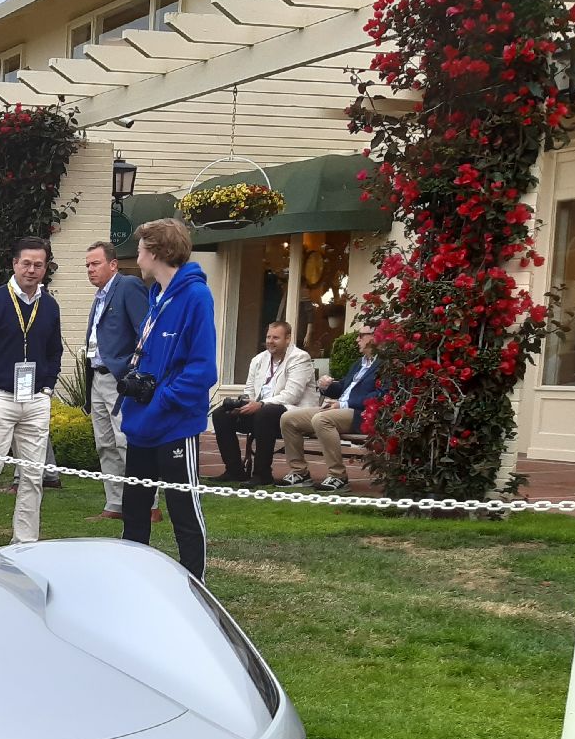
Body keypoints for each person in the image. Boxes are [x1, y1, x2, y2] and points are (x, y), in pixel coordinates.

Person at [119, 218, 216, 578]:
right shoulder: (155, 294)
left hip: (174, 423)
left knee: (183, 510)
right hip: (143, 423)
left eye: (141, 248)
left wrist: (162, 398)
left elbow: (203, 368)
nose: (137, 255)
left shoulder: (196, 296)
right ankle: (134, 580)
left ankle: (196, 586)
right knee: (134, 509)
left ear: (156, 252)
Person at [0, 237, 64, 543]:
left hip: (35, 399)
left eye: (38, 265)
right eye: (26, 263)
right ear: (15, 264)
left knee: (33, 475)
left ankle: (25, 543)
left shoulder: (50, 306)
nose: (31, 270)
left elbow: (54, 351)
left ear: (46, 268)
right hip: (0, 398)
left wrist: (47, 387)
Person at [82, 241, 150, 521]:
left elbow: (145, 332)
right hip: (97, 377)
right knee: (105, 443)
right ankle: (115, 504)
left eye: (95, 263)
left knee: (125, 440)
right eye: (87, 265)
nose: (90, 269)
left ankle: (148, 503)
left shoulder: (128, 287)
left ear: (113, 264)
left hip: (120, 379)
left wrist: (133, 373)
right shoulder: (99, 296)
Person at [280, 325, 386, 491]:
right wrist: (327, 386)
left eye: (361, 335)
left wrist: (344, 404)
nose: (357, 339)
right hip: (338, 408)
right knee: (289, 419)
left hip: (362, 414)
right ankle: (299, 472)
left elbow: (380, 394)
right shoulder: (359, 363)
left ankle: (338, 476)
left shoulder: (385, 364)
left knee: (322, 419)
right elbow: (343, 387)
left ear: (375, 337)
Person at [211, 321, 314, 486]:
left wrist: (260, 404)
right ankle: (235, 471)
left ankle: (262, 474)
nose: (270, 341)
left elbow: (292, 395)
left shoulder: (300, 358)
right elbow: (250, 389)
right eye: (268, 337)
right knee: (221, 414)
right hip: (260, 412)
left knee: (265, 413)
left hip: (290, 412)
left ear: (288, 339)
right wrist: (244, 403)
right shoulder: (259, 359)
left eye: (276, 338)